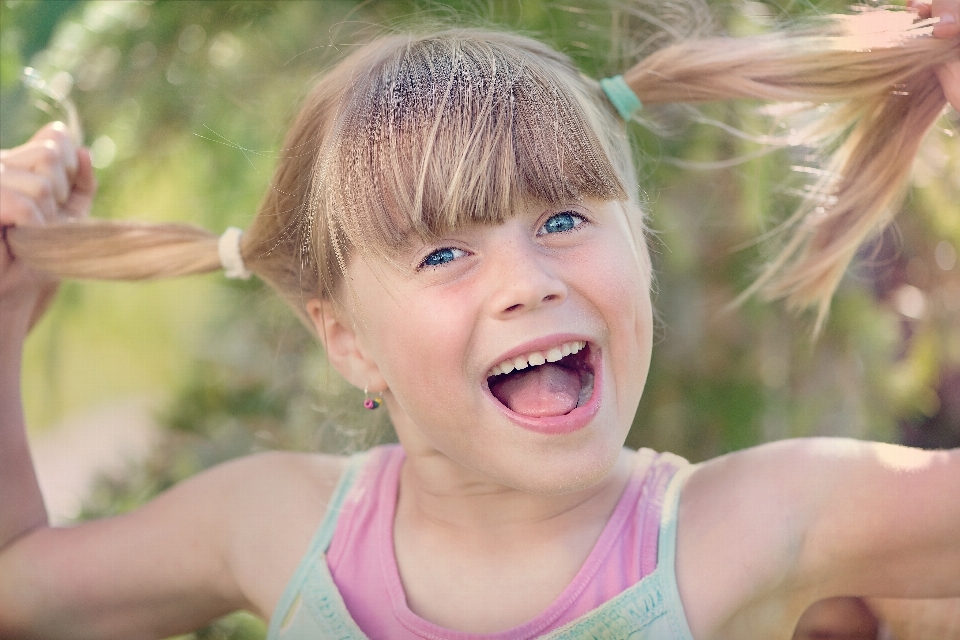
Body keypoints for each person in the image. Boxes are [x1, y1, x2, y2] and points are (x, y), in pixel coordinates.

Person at [1, 1, 958, 638]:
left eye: (566, 218)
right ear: (347, 341)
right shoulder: (275, 527)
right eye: (445, 252)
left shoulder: (752, 522)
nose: (528, 281)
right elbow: (19, 585)